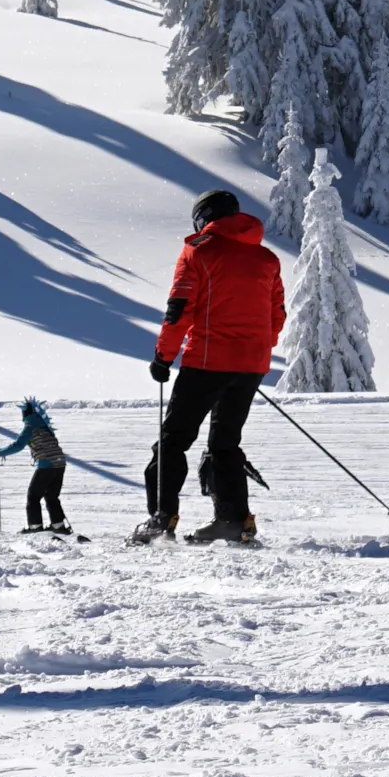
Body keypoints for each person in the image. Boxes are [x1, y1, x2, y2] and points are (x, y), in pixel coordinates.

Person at [139, 188, 283, 545]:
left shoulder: (198, 252)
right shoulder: (266, 259)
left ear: (204, 218)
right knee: (225, 444)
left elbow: (179, 309)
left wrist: (163, 357)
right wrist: (251, 352)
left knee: (172, 441)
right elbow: (276, 315)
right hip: (251, 364)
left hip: (207, 360)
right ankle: (233, 520)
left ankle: (161, 518)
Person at [0, 395, 70, 533]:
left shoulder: (30, 426)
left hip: (47, 464)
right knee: (51, 496)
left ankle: (35, 527)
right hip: (60, 463)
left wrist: (0, 453)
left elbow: (18, 445)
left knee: (33, 496)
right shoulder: (45, 426)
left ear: (26, 413)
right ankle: (58, 525)